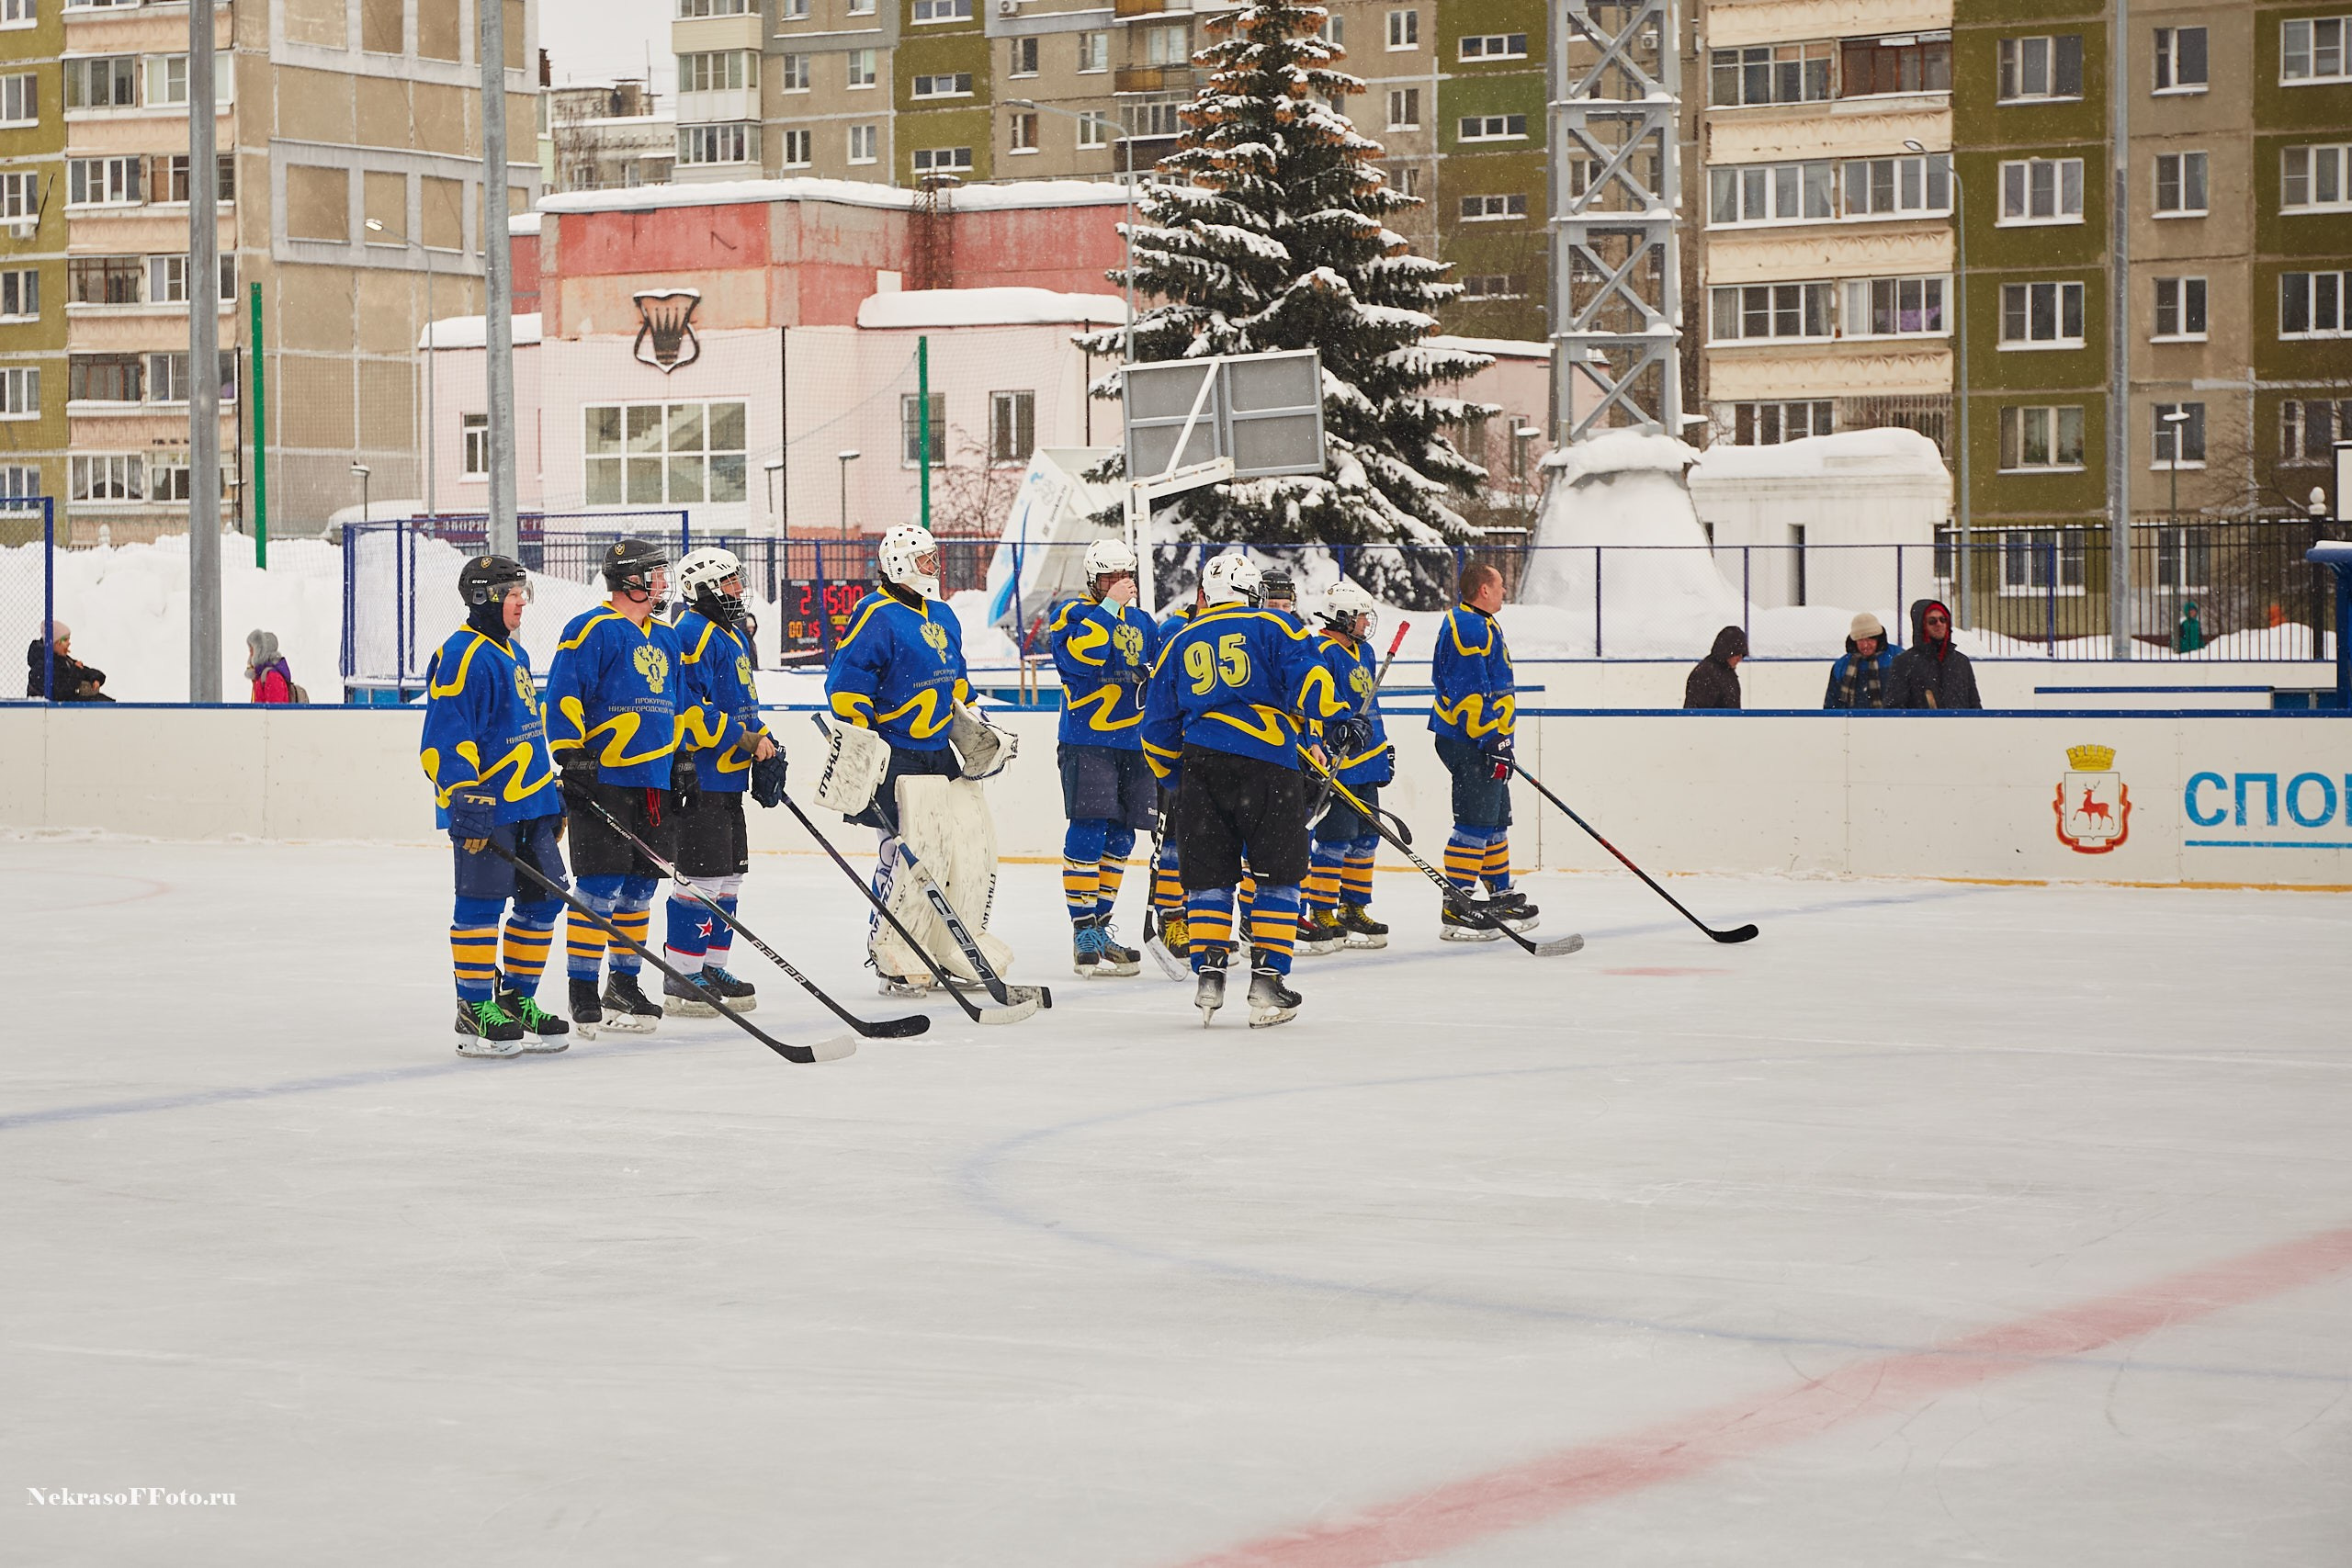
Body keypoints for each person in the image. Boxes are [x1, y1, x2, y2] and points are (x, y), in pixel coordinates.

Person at [1142, 552, 1350, 1027]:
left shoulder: (1179, 641)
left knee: (1210, 876)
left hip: (1201, 768)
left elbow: (1155, 731)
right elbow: (1311, 683)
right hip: (1267, 768)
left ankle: (1210, 974)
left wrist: (1181, 782)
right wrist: (1341, 716)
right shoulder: (1276, 627)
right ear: (1251, 590)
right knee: (1278, 874)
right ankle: (1267, 981)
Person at [819, 523, 1016, 995]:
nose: (935, 566)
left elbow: (957, 680)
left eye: (934, 557)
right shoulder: (875, 614)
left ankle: (949, 945)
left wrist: (976, 721)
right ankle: (893, 950)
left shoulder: (944, 615)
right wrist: (864, 739)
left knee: (961, 847)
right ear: (901, 565)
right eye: (926, 559)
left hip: (938, 752)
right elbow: (847, 684)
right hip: (898, 751)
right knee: (908, 851)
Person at [417, 556, 571, 1056]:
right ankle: (473, 1008)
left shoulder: (515, 656)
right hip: (489, 808)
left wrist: (552, 799)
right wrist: (464, 795)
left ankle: (515, 1000)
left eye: (522, 592)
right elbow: (444, 734)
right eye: (511, 593)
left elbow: (527, 732)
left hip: (531, 803)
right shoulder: (461, 654)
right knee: (481, 904)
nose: (521, 601)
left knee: (543, 901)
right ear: (484, 597)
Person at [545, 538, 685, 1036]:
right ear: (632, 580)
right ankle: (582, 985)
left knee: (640, 888)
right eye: (656, 573)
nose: (664, 583)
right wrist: (569, 754)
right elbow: (564, 693)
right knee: (599, 886)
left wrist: (683, 755)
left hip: (654, 783)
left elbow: (678, 704)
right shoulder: (590, 629)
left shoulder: (667, 638)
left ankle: (623, 983)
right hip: (605, 779)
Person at [660, 547, 787, 1017]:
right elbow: (691, 710)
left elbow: (739, 704)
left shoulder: (728, 633)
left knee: (728, 879)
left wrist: (765, 740)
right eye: (730, 582)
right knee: (700, 878)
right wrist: (744, 739)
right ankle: (682, 975)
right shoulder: (691, 633)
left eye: (737, 580)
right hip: (702, 777)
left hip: (729, 779)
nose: (738, 589)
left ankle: (711, 966)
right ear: (704, 589)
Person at [1044, 537, 1158, 977]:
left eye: (1125, 576)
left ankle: (1102, 924)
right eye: (1111, 578)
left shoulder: (1145, 622)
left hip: (1135, 743)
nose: (1120, 585)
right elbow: (1081, 659)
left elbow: (1158, 670)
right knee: (1088, 829)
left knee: (1122, 836)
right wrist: (1108, 607)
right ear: (1094, 579)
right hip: (1086, 739)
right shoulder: (1071, 615)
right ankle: (1082, 929)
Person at [1428, 562, 1536, 941]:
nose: (1505, 590)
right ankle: (1456, 907)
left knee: (1494, 820)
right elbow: (1469, 691)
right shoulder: (1468, 627)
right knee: (1474, 823)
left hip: (1488, 740)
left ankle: (1500, 895)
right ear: (1484, 591)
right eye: (1500, 585)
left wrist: (1499, 740)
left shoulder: (1481, 622)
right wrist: (1490, 737)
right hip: (1471, 740)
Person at [1297, 580, 1393, 954]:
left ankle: (1354, 907)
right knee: (1336, 838)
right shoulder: (1320, 650)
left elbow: (1371, 707)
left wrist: (1384, 747)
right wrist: (1323, 741)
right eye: (1359, 617)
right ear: (1341, 617)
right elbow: (1315, 705)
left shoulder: (1364, 652)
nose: (1366, 623)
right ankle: (1322, 909)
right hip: (1339, 762)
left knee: (1366, 839)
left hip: (1368, 760)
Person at [1146, 577, 1207, 961]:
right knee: (1172, 842)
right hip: (1175, 753)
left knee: (1202, 841)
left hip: (1209, 754)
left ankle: (1193, 915)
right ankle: (1171, 916)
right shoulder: (1174, 629)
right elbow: (1163, 694)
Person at [1886, 598, 1982, 710]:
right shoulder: (1904, 662)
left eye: (1943, 620)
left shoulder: (1961, 662)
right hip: (1920, 727)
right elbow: (1894, 708)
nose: (1939, 624)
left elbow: (1974, 705)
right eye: (1932, 621)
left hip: (1959, 726)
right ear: (1922, 625)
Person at [1824, 612, 1899, 710]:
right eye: (1860, 640)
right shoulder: (1841, 666)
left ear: (1878, 638)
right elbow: (1832, 706)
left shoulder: (1898, 658)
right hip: (1854, 723)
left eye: (1870, 639)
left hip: (1894, 721)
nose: (1865, 645)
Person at [24, 621, 109, 702]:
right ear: (54, 643)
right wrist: (77, 672)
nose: (69, 643)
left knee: (104, 701)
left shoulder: (62, 660)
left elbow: (84, 671)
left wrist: (95, 677)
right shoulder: (42, 667)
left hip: (63, 709)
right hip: (51, 712)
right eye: (65, 640)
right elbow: (61, 692)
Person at [1682, 626, 1747, 710]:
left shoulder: (1727, 672)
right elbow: (1696, 713)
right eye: (1737, 654)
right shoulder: (1705, 673)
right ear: (1728, 652)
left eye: (1742, 655)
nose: (1740, 659)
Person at [246, 629, 299, 704]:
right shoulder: (261, 677)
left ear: (261, 653)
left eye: (253, 650)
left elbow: (274, 712)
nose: (250, 654)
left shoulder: (272, 677)